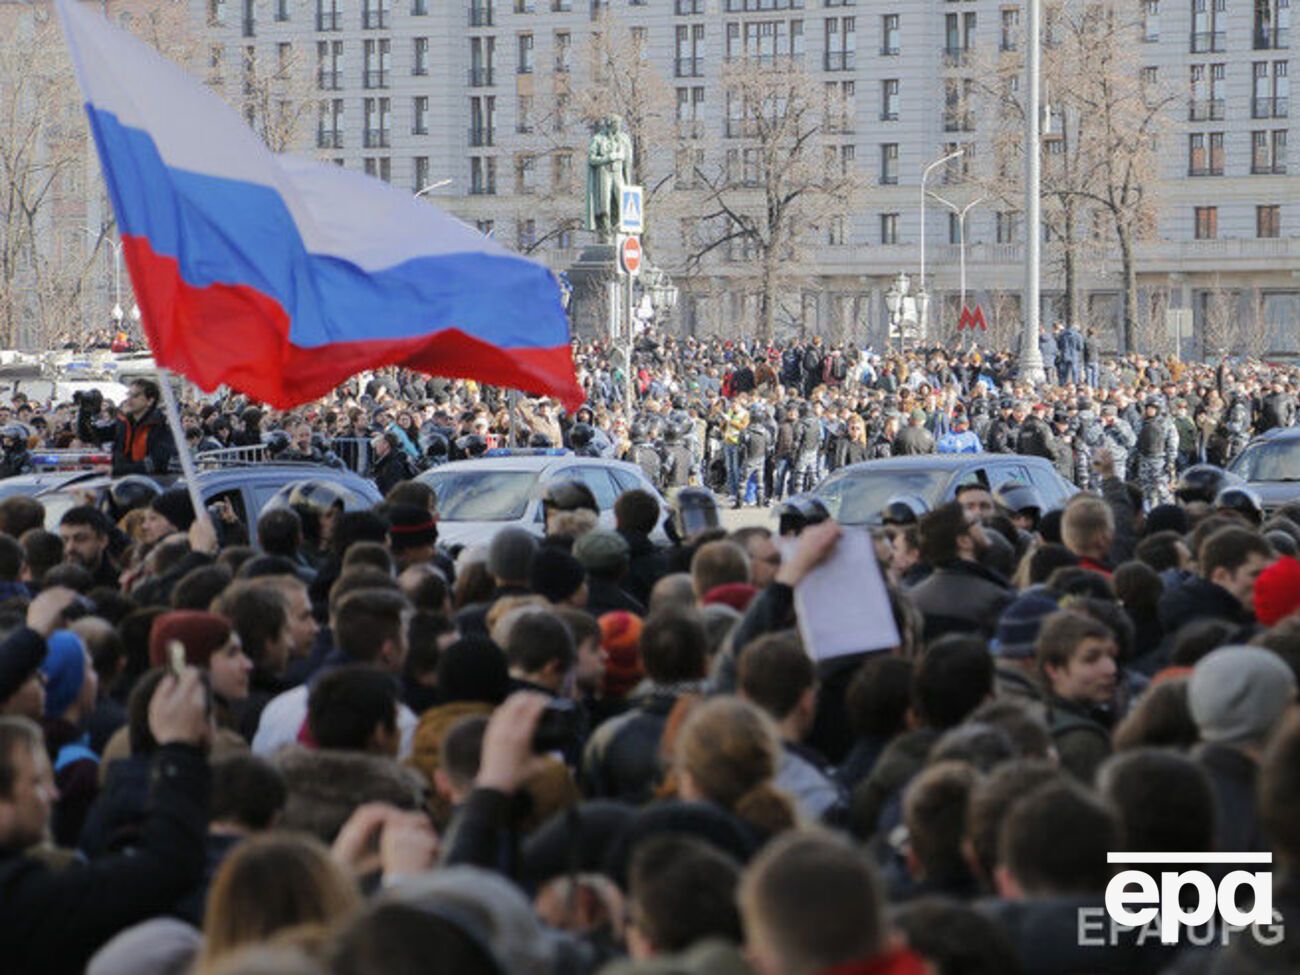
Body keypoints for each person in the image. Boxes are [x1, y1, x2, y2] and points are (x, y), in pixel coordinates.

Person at [0, 669, 210, 975]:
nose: (53, 795)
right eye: (35, 783)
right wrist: (178, 751)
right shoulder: (19, 901)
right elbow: (166, 866)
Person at [79, 379, 177, 477]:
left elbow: (156, 463)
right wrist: (85, 410)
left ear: (150, 401)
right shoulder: (123, 423)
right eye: (128, 395)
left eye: (135, 396)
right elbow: (89, 436)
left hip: (151, 486)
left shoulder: (161, 427)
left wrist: (117, 470)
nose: (129, 399)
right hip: (123, 483)